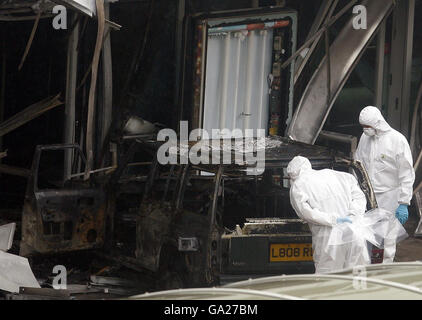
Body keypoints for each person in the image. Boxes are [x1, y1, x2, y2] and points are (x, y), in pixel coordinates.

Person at [287, 156, 369, 273]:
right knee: (357, 275)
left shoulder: (298, 185)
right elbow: (360, 197)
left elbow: (306, 213)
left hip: (328, 236)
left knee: (328, 277)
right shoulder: (342, 176)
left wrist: (333, 220)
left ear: (292, 175)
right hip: (354, 231)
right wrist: (352, 216)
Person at [355, 106, 415, 263]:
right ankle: (367, 269)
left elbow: (406, 174)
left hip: (390, 197)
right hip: (368, 195)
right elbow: (358, 164)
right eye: (363, 127)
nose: (365, 130)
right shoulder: (364, 138)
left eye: (368, 127)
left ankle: (385, 267)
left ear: (378, 123)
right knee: (366, 235)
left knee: (387, 239)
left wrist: (403, 202)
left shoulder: (397, 140)